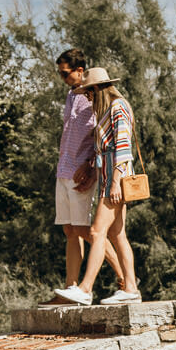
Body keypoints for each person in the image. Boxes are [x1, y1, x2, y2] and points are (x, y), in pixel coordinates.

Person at [52, 68, 142, 306]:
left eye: (89, 93)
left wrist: (114, 183)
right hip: (109, 176)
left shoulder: (117, 107)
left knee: (96, 232)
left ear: (97, 89)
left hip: (116, 178)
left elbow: (123, 148)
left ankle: (86, 288)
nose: (87, 98)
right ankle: (131, 287)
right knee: (117, 233)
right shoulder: (107, 110)